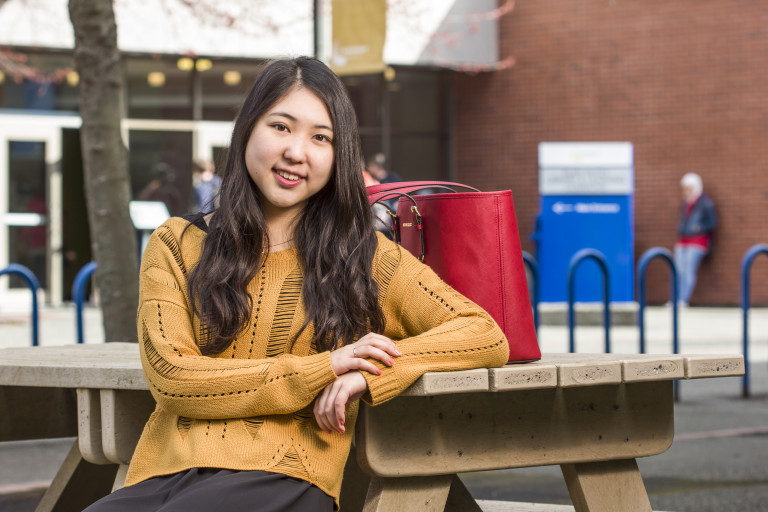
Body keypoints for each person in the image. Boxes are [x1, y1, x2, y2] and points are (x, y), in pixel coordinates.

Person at [83, 57, 508, 512]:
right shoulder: (177, 244)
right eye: (281, 127)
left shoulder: (362, 258)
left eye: (320, 137)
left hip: (283, 476)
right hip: (163, 475)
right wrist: (326, 368)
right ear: (247, 129)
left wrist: (370, 369)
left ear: (338, 154)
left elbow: (483, 332)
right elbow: (174, 377)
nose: (297, 152)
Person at [674, 172, 717, 306]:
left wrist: (699, 228)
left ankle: (683, 300)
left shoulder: (705, 203)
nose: (686, 191)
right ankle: (676, 299)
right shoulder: (685, 204)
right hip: (683, 240)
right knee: (678, 270)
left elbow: (712, 222)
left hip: (698, 241)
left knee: (688, 271)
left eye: (688, 188)